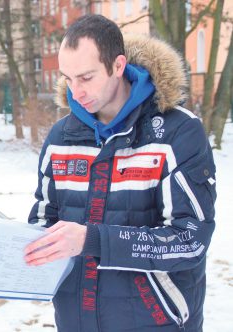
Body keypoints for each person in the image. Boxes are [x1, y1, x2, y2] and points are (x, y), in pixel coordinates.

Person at [24, 15, 215, 332]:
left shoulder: (177, 132)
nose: (76, 92)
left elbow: (190, 239)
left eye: (86, 77)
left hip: (157, 321)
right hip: (76, 321)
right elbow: (44, 217)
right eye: (68, 79)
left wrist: (92, 239)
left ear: (117, 65)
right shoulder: (61, 137)